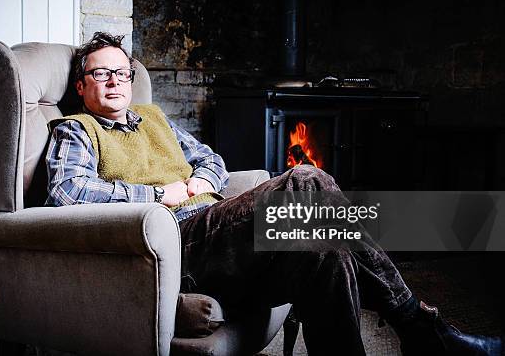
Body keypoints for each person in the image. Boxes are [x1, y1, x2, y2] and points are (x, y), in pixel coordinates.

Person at [45, 31, 502, 356]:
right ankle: (421, 328)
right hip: (175, 241)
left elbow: (213, 162)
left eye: (122, 73)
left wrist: (198, 182)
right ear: (82, 85)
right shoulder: (75, 129)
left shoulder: (156, 119)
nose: (115, 81)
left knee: (324, 249)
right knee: (308, 180)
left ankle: (414, 335)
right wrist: (162, 193)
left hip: (221, 232)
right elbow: (67, 193)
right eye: (101, 73)